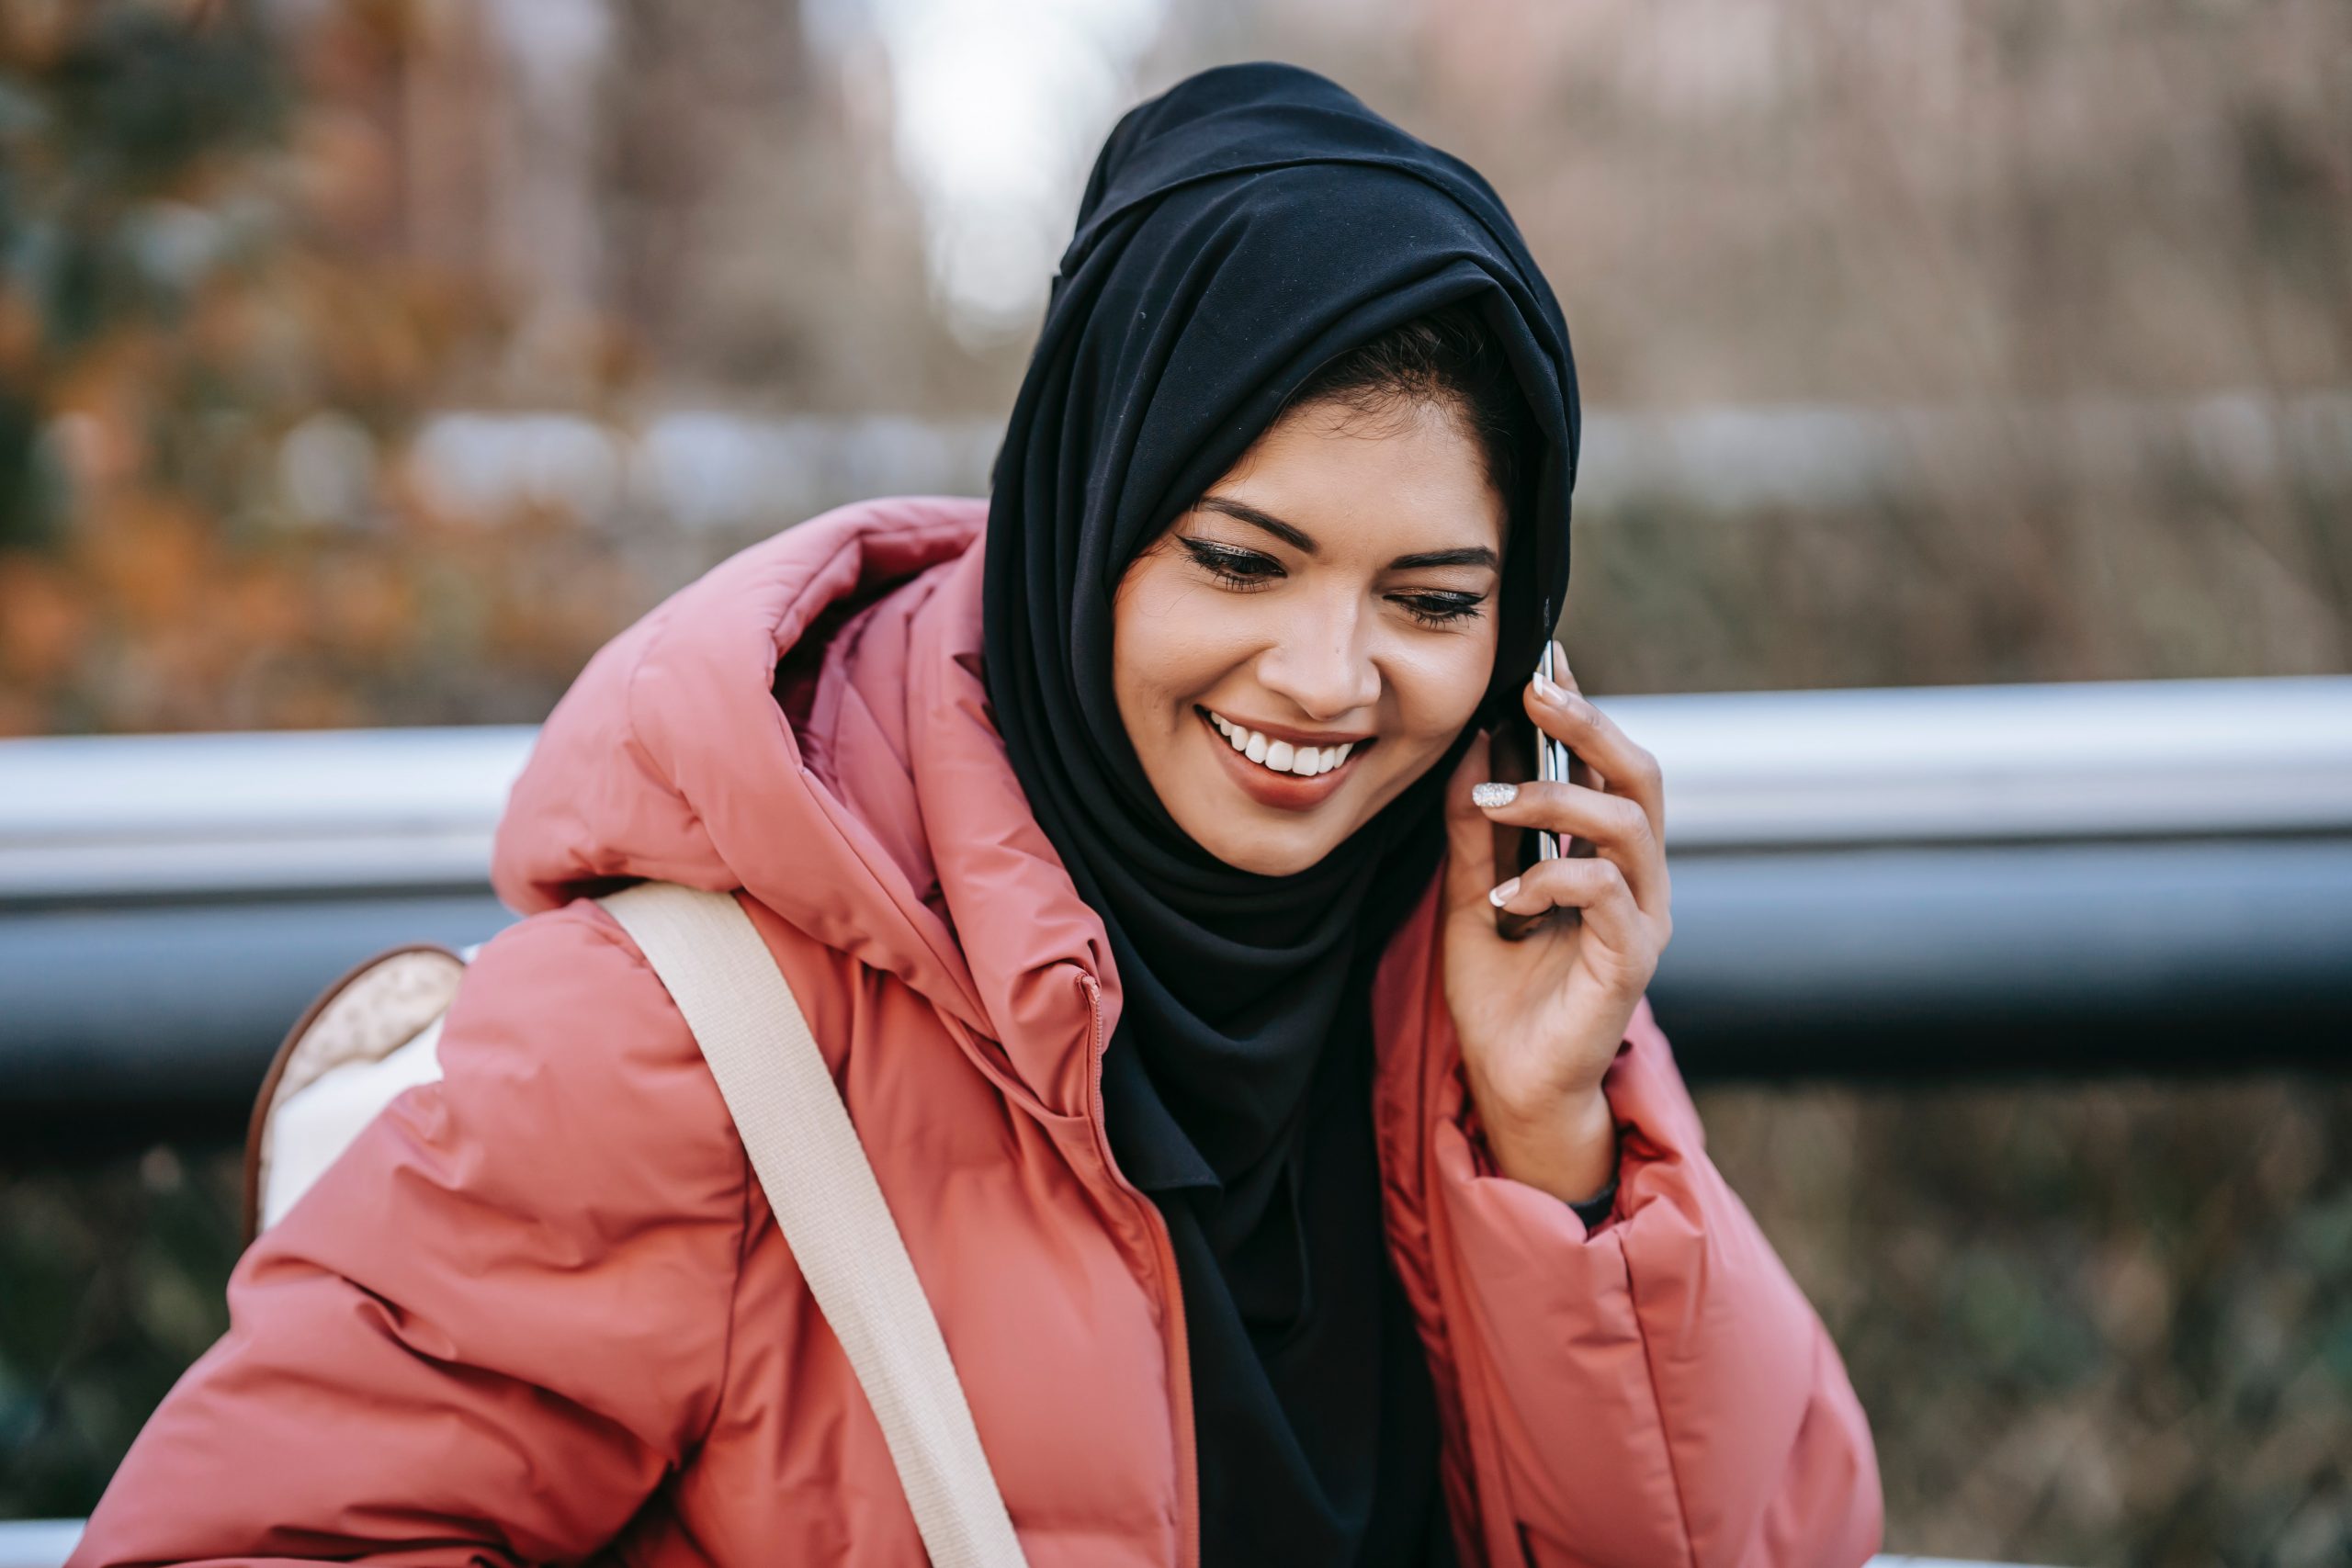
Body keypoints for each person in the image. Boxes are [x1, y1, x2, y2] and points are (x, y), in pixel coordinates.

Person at [73, 62, 1880, 1568]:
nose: (1329, 679)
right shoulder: (694, 1018)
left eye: (1427, 600)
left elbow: (1788, 1535)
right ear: (1085, 522)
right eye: (1240, 560)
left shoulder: (1473, 978)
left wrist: (1557, 1148)